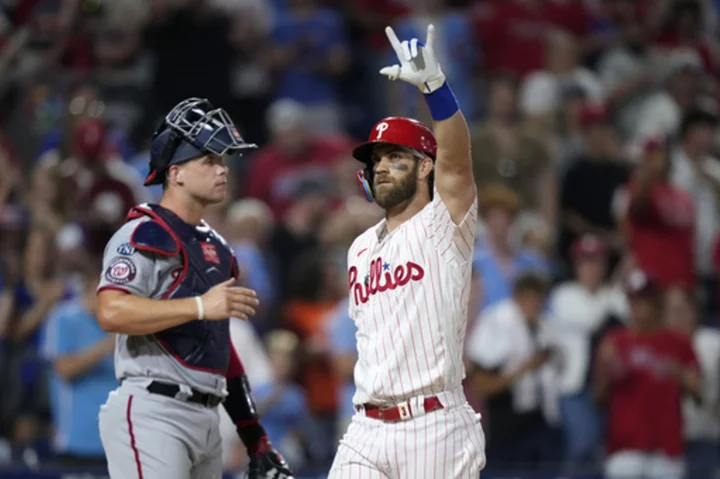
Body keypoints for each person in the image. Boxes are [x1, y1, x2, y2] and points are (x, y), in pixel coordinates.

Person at [95, 98, 294, 479]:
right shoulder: (142, 232)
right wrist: (200, 306)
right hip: (154, 409)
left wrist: (254, 436)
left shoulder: (217, 246)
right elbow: (111, 312)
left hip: (208, 415)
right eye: (210, 161)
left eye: (222, 162)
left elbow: (220, 348)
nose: (223, 170)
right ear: (176, 173)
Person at [329, 25, 486, 478]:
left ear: (424, 167)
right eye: (376, 159)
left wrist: (435, 89)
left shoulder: (444, 220)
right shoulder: (359, 248)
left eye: (395, 157)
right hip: (365, 427)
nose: (381, 166)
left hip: (433, 425)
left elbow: (458, 164)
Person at [595, 269, 701, 479]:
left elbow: (699, 393)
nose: (637, 306)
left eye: (643, 299)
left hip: (666, 447)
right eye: (633, 299)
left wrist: (678, 372)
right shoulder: (614, 341)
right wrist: (606, 370)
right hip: (624, 447)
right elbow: (598, 397)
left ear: (656, 302)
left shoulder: (677, 342)